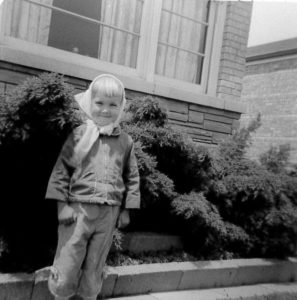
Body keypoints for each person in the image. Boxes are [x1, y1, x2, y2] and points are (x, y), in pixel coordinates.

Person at [45, 74, 140, 300]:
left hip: (109, 213)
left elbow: (132, 177)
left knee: (95, 262)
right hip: (78, 211)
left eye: (113, 105)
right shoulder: (79, 135)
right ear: (90, 103)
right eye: (99, 103)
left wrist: (127, 209)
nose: (105, 110)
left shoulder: (126, 142)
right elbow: (61, 171)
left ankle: (89, 295)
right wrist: (62, 207)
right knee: (69, 259)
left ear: (121, 107)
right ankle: (60, 294)